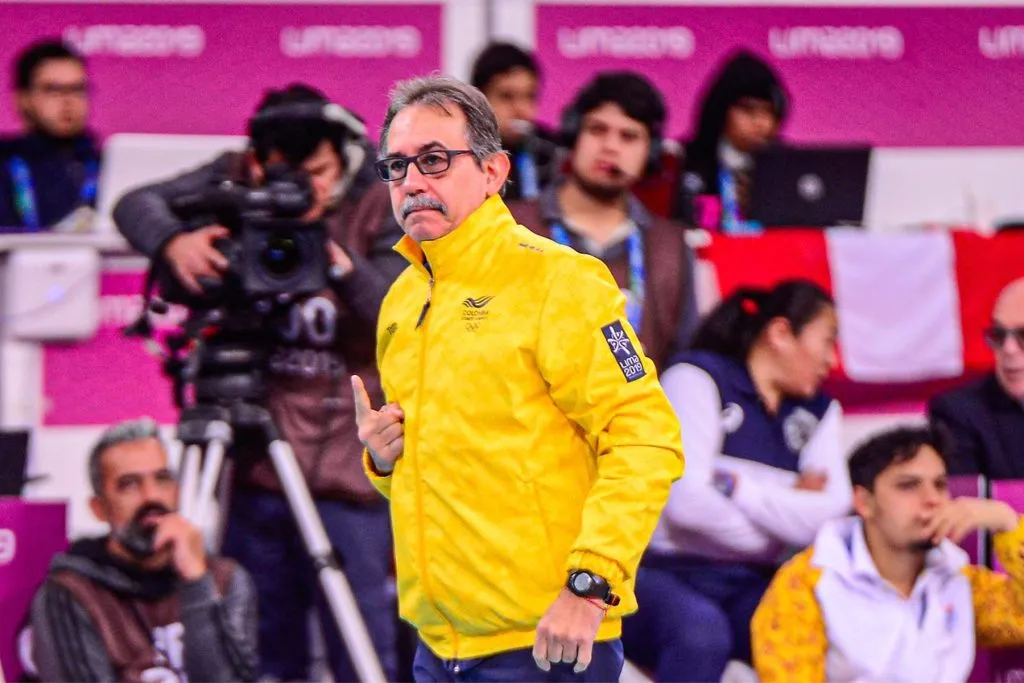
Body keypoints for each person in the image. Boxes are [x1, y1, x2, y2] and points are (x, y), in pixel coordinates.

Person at [354, 74, 684, 682]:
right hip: (438, 645)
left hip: (547, 641)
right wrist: (385, 461)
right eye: (397, 166)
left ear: (493, 171)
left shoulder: (562, 282)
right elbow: (461, 478)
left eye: (434, 160)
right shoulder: (402, 297)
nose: (413, 182)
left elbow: (647, 438)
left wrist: (591, 585)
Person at [113, 83, 403, 681]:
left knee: (363, 652)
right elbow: (133, 204)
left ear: (346, 155)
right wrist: (173, 241)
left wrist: (334, 260)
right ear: (257, 161)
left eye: (317, 173)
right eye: (283, 174)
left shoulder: (381, 200)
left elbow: (397, 317)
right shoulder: (236, 175)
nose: (302, 190)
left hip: (349, 474)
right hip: (257, 464)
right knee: (262, 653)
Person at [622, 280, 850, 682]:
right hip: (662, 571)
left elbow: (830, 517)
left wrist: (737, 487)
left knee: (811, 625)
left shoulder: (820, 411)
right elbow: (685, 504)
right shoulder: (696, 378)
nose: (832, 360)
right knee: (701, 635)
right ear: (780, 333)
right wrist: (780, 525)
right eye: (827, 341)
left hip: (754, 579)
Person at [752, 424, 1024, 682]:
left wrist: (1008, 523)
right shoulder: (808, 585)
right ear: (864, 502)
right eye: (908, 485)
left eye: (940, 485)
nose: (932, 499)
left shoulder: (957, 577)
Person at [29, 419, 257, 682]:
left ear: (177, 490)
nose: (151, 496)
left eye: (162, 479)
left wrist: (196, 582)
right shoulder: (72, 594)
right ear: (99, 508)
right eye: (129, 484)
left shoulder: (224, 580)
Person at [507, 71, 698, 371]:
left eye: (628, 136)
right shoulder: (511, 225)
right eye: (598, 130)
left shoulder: (670, 244)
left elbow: (685, 358)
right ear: (574, 136)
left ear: (650, 153)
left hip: (638, 399)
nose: (610, 147)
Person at [673, 50, 788, 233]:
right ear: (721, 109)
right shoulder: (686, 162)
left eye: (769, 112)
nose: (760, 122)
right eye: (748, 110)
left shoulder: (787, 169)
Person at [0, 39, 100, 231]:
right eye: (53, 90)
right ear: (23, 98)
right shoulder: (6, 164)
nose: (68, 100)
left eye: (77, 89)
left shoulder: (104, 166)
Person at [929, 278, 1024, 479]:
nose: (1008, 349)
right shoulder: (958, 412)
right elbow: (964, 495)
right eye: (999, 334)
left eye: (1023, 336)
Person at [470, 41, 559, 201]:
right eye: (507, 96)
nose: (522, 109)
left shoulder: (552, 151)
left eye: (530, 96)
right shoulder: (462, 154)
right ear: (478, 99)